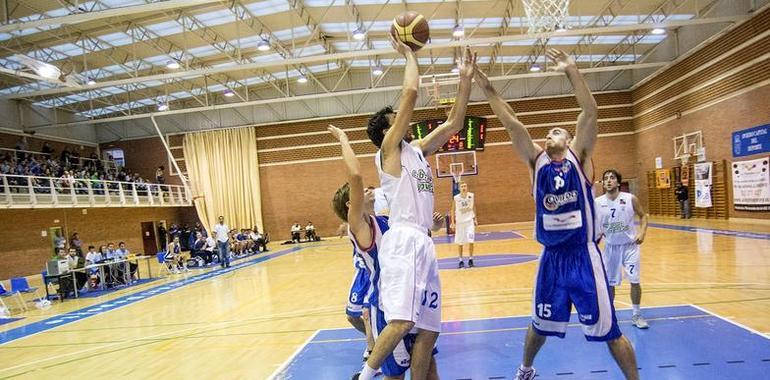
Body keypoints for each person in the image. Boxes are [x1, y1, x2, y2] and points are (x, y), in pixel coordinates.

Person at [475, 48, 639, 380]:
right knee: (540, 323)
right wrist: (488, 89)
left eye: (557, 131)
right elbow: (512, 123)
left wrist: (571, 70)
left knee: (611, 330)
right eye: (548, 132)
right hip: (551, 257)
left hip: (584, 256)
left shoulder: (580, 156)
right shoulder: (536, 162)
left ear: (570, 140)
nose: (550, 134)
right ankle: (525, 368)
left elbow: (590, 111)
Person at [355, 37, 476, 380]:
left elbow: (454, 123)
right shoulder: (388, 150)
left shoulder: (418, 150)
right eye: (396, 119)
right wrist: (409, 55)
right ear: (386, 130)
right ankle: (364, 376)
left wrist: (464, 80)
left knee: (429, 328)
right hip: (403, 240)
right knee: (404, 320)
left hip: (424, 242)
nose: (405, 119)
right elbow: (410, 93)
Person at [329, 125, 384, 372]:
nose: (367, 190)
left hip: (396, 283)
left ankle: (375, 349)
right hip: (377, 281)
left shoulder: (384, 217)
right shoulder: (360, 224)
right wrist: (343, 139)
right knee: (359, 316)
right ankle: (372, 350)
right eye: (362, 191)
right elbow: (356, 176)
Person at [595, 169, 650, 329]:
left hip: (630, 247)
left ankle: (636, 314)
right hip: (611, 248)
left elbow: (643, 215)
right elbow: (593, 224)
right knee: (610, 284)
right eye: (606, 178)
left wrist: (642, 233)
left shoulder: (630, 199)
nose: (609, 180)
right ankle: (610, 315)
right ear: (603, 183)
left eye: (612, 178)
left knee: (634, 280)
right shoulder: (597, 202)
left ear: (618, 182)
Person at [450, 181, 478, 268]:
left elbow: (474, 207)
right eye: (462, 186)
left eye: (465, 186)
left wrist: (475, 219)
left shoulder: (471, 196)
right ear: (459, 188)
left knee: (471, 240)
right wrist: (453, 222)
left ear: (467, 187)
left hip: (469, 222)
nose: (464, 187)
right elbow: (452, 210)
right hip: (460, 223)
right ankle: (461, 260)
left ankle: (470, 259)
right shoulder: (456, 198)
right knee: (460, 242)